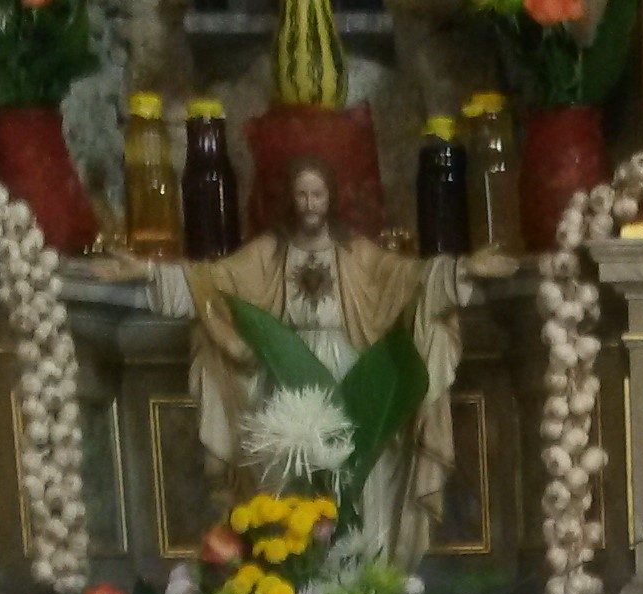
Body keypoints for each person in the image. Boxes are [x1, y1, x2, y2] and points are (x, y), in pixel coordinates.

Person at [149, 154, 467, 559]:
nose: (310, 204)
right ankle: (297, 565)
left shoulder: (355, 251)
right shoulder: (269, 252)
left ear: (330, 197)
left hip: (348, 369)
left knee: (358, 467)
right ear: (291, 198)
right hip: (288, 371)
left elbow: (410, 278)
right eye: (302, 195)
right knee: (290, 469)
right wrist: (149, 273)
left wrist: (462, 271)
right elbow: (210, 282)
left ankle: (358, 566)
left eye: (317, 194)